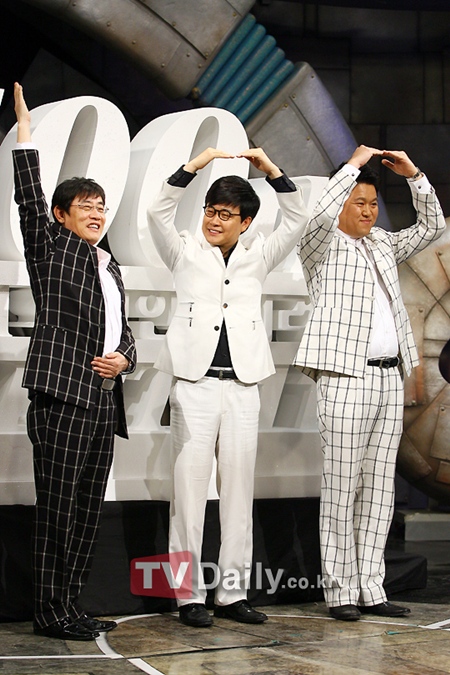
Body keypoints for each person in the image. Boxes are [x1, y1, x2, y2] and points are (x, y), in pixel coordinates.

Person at [147, 147, 309, 627]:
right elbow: (157, 211)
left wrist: (272, 170)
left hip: (242, 386)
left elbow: (298, 217)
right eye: (211, 211)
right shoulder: (183, 250)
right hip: (194, 385)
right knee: (188, 495)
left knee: (238, 493)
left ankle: (232, 594)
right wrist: (193, 166)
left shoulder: (259, 255)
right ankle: (187, 596)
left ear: (246, 221)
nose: (214, 221)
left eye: (225, 214)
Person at [294, 144, 446, 621]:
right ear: (342, 202)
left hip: (388, 376)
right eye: (359, 202)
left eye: (373, 203)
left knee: (380, 487)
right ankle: (339, 590)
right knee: (342, 484)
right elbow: (320, 214)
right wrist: (353, 166)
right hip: (345, 375)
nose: (368, 211)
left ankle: (370, 586)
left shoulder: (381, 243)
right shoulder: (321, 245)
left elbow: (432, 227)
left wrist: (414, 175)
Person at [13, 83, 136, 641]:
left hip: (103, 401)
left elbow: (124, 331)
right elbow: (28, 197)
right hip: (62, 396)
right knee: (58, 510)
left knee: (88, 511)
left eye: (101, 206)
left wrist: (125, 359)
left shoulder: (110, 265)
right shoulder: (50, 247)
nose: (96, 213)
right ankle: (49, 611)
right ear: (61, 215)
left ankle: (71, 605)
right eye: (85, 206)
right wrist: (25, 133)